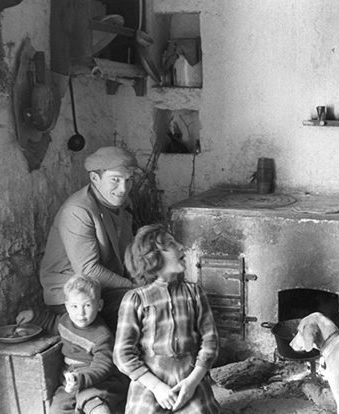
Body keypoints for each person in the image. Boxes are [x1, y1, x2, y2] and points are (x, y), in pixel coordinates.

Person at [113, 224, 220, 414]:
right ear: (152, 258)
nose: (181, 246)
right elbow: (122, 354)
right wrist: (156, 387)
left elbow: (210, 341)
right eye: (171, 244)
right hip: (151, 382)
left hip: (189, 378)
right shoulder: (135, 299)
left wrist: (193, 381)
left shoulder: (194, 293)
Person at [40, 146, 139, 332]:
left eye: (129, 179)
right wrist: (134, 286)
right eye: (115, 179)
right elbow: (89, 270)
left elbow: (127, 250)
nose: (123, 188)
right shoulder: (78, 211)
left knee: (157, 298)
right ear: (94, 178)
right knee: (141, 306)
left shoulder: (121, 203)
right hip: (75, 297)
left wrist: (146, 277)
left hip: (104, 289)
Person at [17, 275, 128, 414]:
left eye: (87, 305)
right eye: (74, 306)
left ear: (99, 305)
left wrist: (81, 379)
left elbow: (104, 366)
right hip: (68, 382)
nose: (80, 313)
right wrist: (33, 316)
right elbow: (51, 322)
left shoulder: (102, 336)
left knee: (95, 404)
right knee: (58, 408)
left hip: (95, 382)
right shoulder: (65, 321)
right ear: (67, 306)